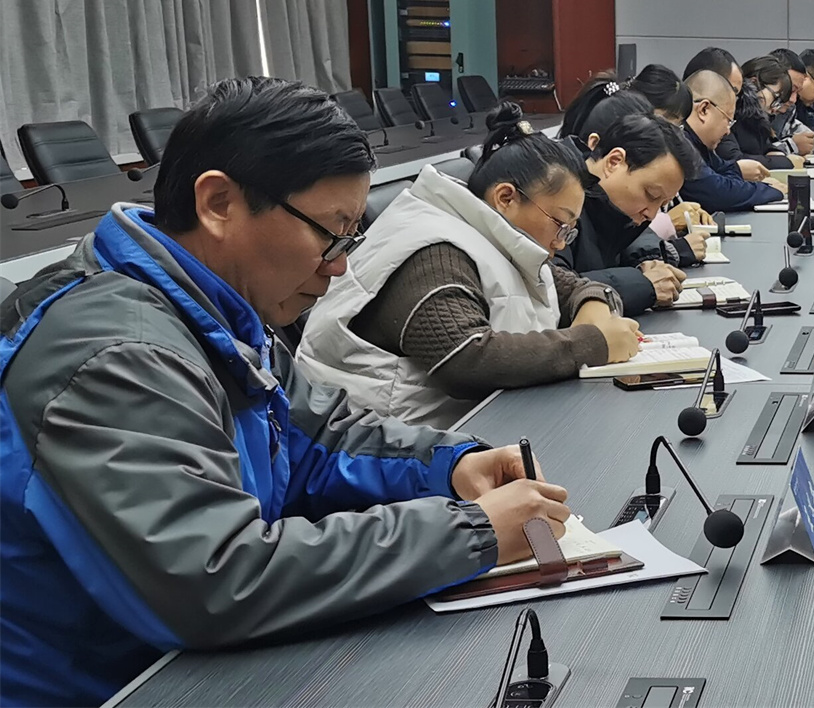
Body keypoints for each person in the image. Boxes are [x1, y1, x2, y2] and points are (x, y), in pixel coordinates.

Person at [0, 78, 571, 706]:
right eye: (331, 233)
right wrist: (470, 532)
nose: (339, 265)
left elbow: (317, 438)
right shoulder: (118, 356)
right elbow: (215, 580)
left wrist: (449, 467)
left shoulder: (211, 306)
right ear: (219, 203)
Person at [297, 104, 644, 429]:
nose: (560, 242)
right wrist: (589, 343)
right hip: (368, 445)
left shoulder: (493, 236)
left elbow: (572, 286)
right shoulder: (436, 249)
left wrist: (594, 306)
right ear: (506, 198)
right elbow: (466, 361)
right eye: (560, 224)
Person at [561, 108, 711, 317]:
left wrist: (647, 260)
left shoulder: (613, 204)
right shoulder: (556, 194)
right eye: (651, 194)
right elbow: (553, 288)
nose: (652, 214)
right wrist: (642, 284)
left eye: (663, 204)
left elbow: (629, 232)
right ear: (614, 162)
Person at [681, 69, 784, 212]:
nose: (728, 131)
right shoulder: (679, 143)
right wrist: (769, 190)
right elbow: (719, 194)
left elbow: (727, 171)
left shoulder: (700, 145)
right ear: (704, 110)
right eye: (728, 120)